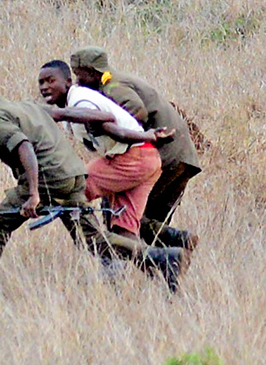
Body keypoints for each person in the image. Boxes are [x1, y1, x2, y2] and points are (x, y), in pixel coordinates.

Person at [0, 77, 116, 277]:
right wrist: (107, 116)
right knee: (94, 240)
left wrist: (33, 194)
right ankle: (154, 255)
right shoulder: (25, 107)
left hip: (48, 183)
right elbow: (65, 113)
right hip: (74, 176)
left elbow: (24, 146)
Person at [37, 60, 177, 273]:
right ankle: (165, 265)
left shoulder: (81, 103)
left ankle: (95, 246)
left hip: (133, 157)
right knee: (124, 229)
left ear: (67, 82)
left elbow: (113, 128)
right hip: (147, 159)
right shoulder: (73, 104)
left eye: (50, 80)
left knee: (69, 189)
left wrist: (147, 135)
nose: (45, 86)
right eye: (41, 82)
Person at [66, 46, 205, 250]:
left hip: (164, 154)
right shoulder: (116, 80)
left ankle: (170, 246)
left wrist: (110, 128)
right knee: (145, 219)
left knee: (120, 214)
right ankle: (173, 251)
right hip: (181, 156)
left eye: (81, 76)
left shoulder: (112, 86)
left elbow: (137, 111)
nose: (78, 82)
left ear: (93, 72)